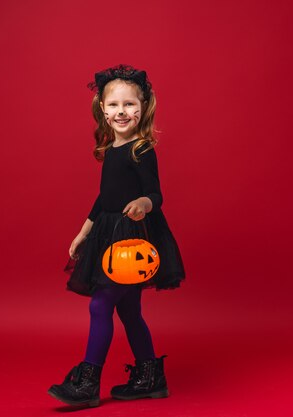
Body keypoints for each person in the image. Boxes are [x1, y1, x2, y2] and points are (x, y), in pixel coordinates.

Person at [47, 64, 186, 409]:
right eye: (113, 105)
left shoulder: (142, 150)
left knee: (101, 305)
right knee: (128, 310)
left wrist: (142, 203)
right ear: (102, 110)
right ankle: (150, 377)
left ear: (144, 107)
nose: (121, 111)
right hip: (106, 233)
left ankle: (88, 382)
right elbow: (103, 199)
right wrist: (83, 232)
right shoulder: (111, 151)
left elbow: (156, 195)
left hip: (131, 240)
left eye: (129, 104)